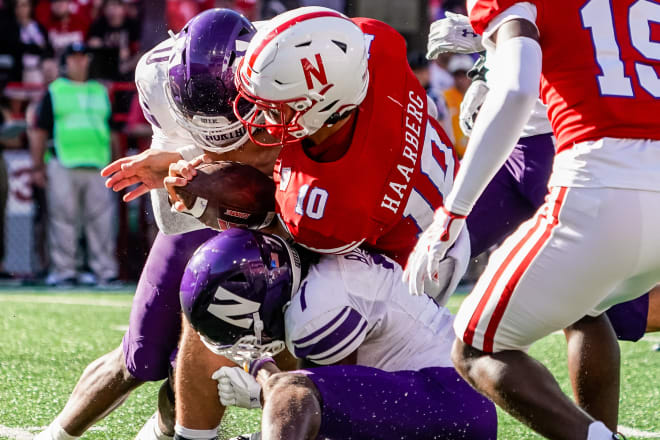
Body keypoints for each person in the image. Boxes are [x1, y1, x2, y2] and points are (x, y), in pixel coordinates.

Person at [404, 1, 660, 439]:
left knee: (474, 346)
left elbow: (518, 91)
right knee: (588, 307)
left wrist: (451, 214)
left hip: (592, 172)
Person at [34, 9, 276, 440]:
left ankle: (175, 430)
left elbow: (280, 163)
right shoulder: (154, 74)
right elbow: (184, 192)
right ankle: (57, 434)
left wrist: (184, 163)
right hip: (195, 195)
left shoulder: (278, 62)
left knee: (279, 336)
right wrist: (181, 165)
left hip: (273, 212)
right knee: (143, 354)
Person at [179, 228, 497, 440]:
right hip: (444, 395)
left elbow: (301, 398)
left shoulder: (313, 313)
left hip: (451, 400)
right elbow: (351, 396)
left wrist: (265, 381)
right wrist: (262, 372)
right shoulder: (321, 267)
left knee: (292, 392)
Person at [31, 42, 119, 287]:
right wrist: (38, 167)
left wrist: (118, 163)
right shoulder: (55, 91)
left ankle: (105, 271)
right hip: (64, 162)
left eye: (83, 57)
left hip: (99, 164)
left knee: (101, 222)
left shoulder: (100, 91)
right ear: (66, 62)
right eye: (74, 58)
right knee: (63, 220)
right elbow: (39, 130)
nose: (79, 62)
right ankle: (64, 271)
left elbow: (110, 131)